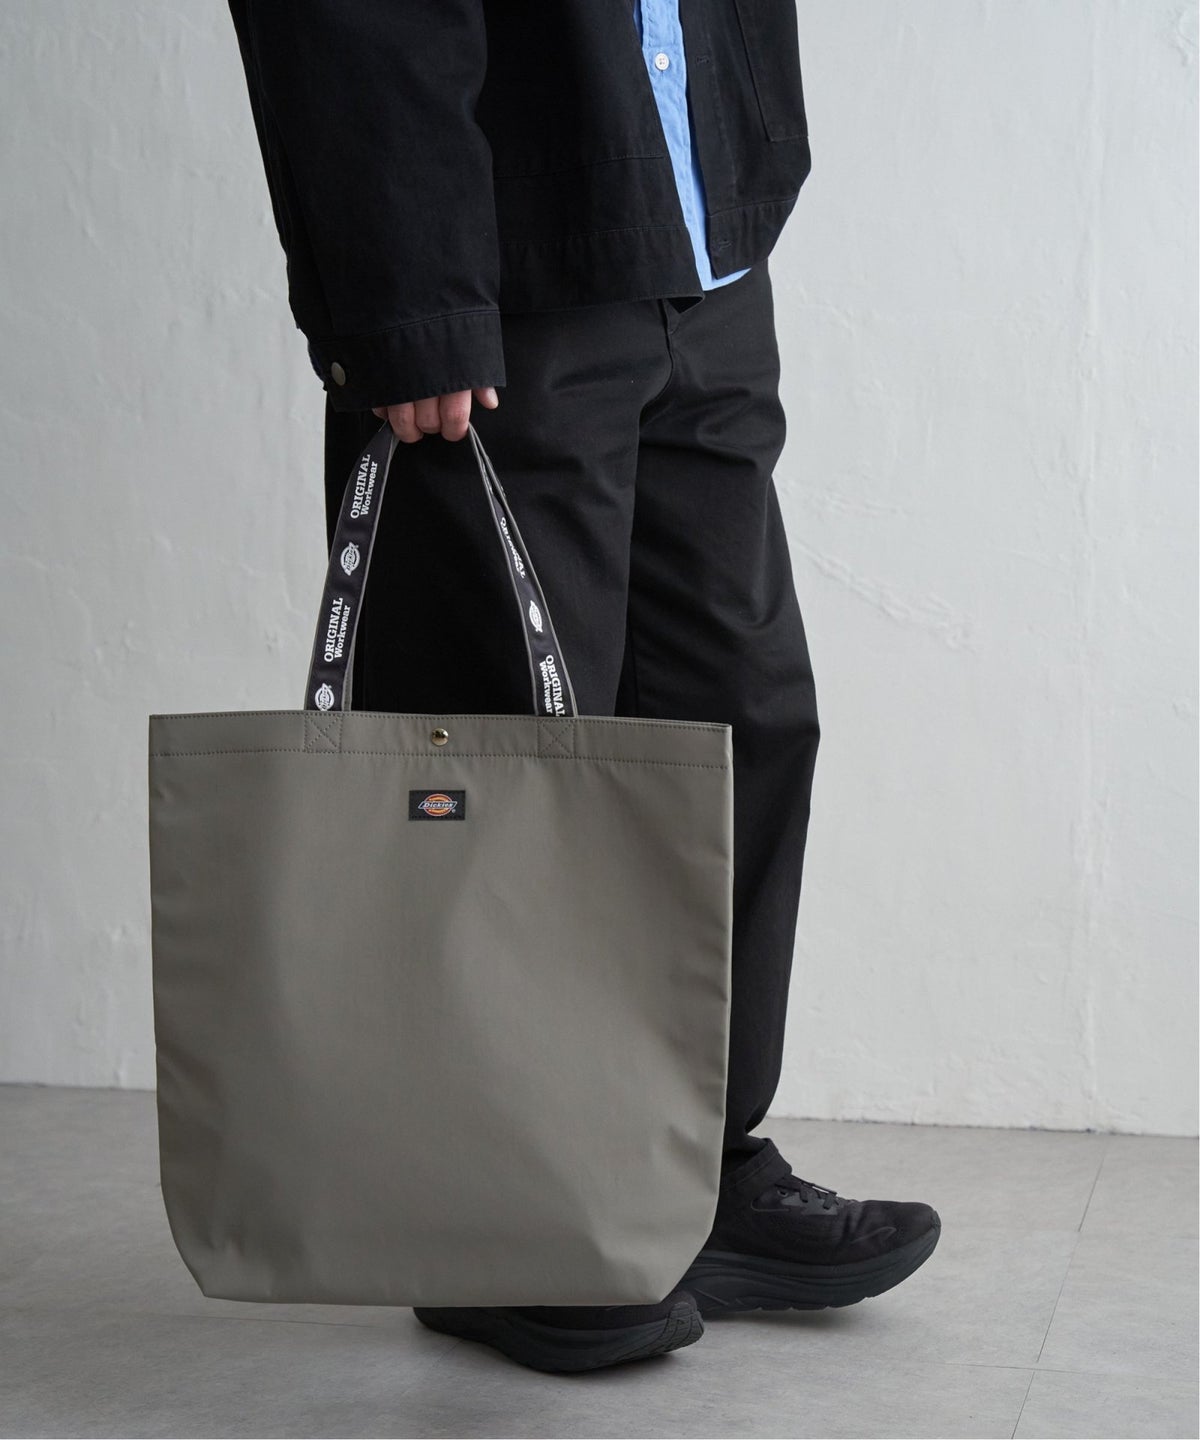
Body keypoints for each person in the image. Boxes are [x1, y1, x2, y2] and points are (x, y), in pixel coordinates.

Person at [225, 0, 940, 1374]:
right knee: (504, 770)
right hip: (500, 276)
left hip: (694, 243)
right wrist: (407, 296)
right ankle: (497, 1223)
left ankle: (685, 1171)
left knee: (733, 721)